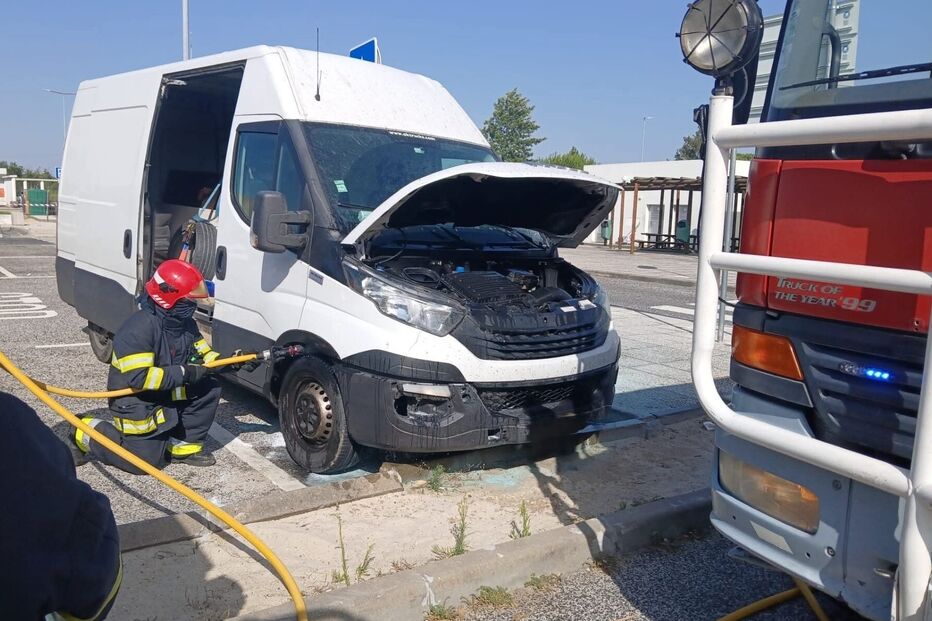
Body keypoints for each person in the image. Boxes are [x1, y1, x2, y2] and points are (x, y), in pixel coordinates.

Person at [73, 259, 223, 473]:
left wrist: (233, 364)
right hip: (136, 398)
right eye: (187, 300)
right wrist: (186, 372)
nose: (192, 306)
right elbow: (140, 378)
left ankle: (181, 446)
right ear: (169, 298)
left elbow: (203, 353)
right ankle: (84, 430)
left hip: (165, 387)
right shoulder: (138, 329)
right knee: (143, 463)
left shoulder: (184, 324)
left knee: (209, 384)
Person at [0, 392, 121, 620]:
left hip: (86, 577)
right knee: (143, 455)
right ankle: (85, 430)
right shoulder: (10, 418)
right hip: (139, 413)